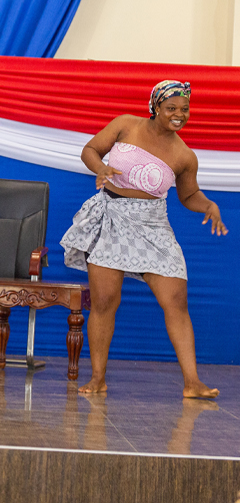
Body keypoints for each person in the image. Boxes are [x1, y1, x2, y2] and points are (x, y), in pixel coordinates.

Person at [60, 80, 227, 398]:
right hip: (112, 218)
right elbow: (90, 150)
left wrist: (208, 205)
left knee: (176, 301)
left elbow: (188, 194)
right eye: (171, 108)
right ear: (155, 108)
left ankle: (192, 383)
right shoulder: (126, 125)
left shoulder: (184, 155)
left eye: (184, 109)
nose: (179, 115)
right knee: (105, 302)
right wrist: (101, 168)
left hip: (153, 225)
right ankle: (98, 378)